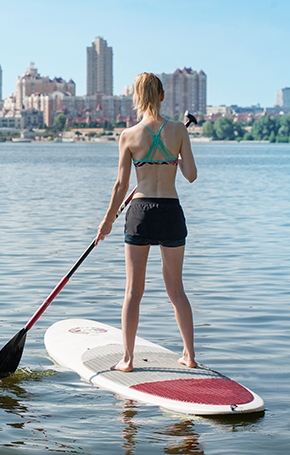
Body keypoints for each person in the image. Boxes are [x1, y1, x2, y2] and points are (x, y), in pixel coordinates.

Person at [95, 72, 198, 372]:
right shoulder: (179, 130)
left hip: (140, 212)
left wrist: (107, 222)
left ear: (137, 98)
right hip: (170, 212)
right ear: (163, 95)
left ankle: (127, 360)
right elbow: (191, 175)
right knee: (176, 290)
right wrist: (175, 158)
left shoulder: (128, 136)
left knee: (133, 291)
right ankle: (189, 356)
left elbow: (120, 186)